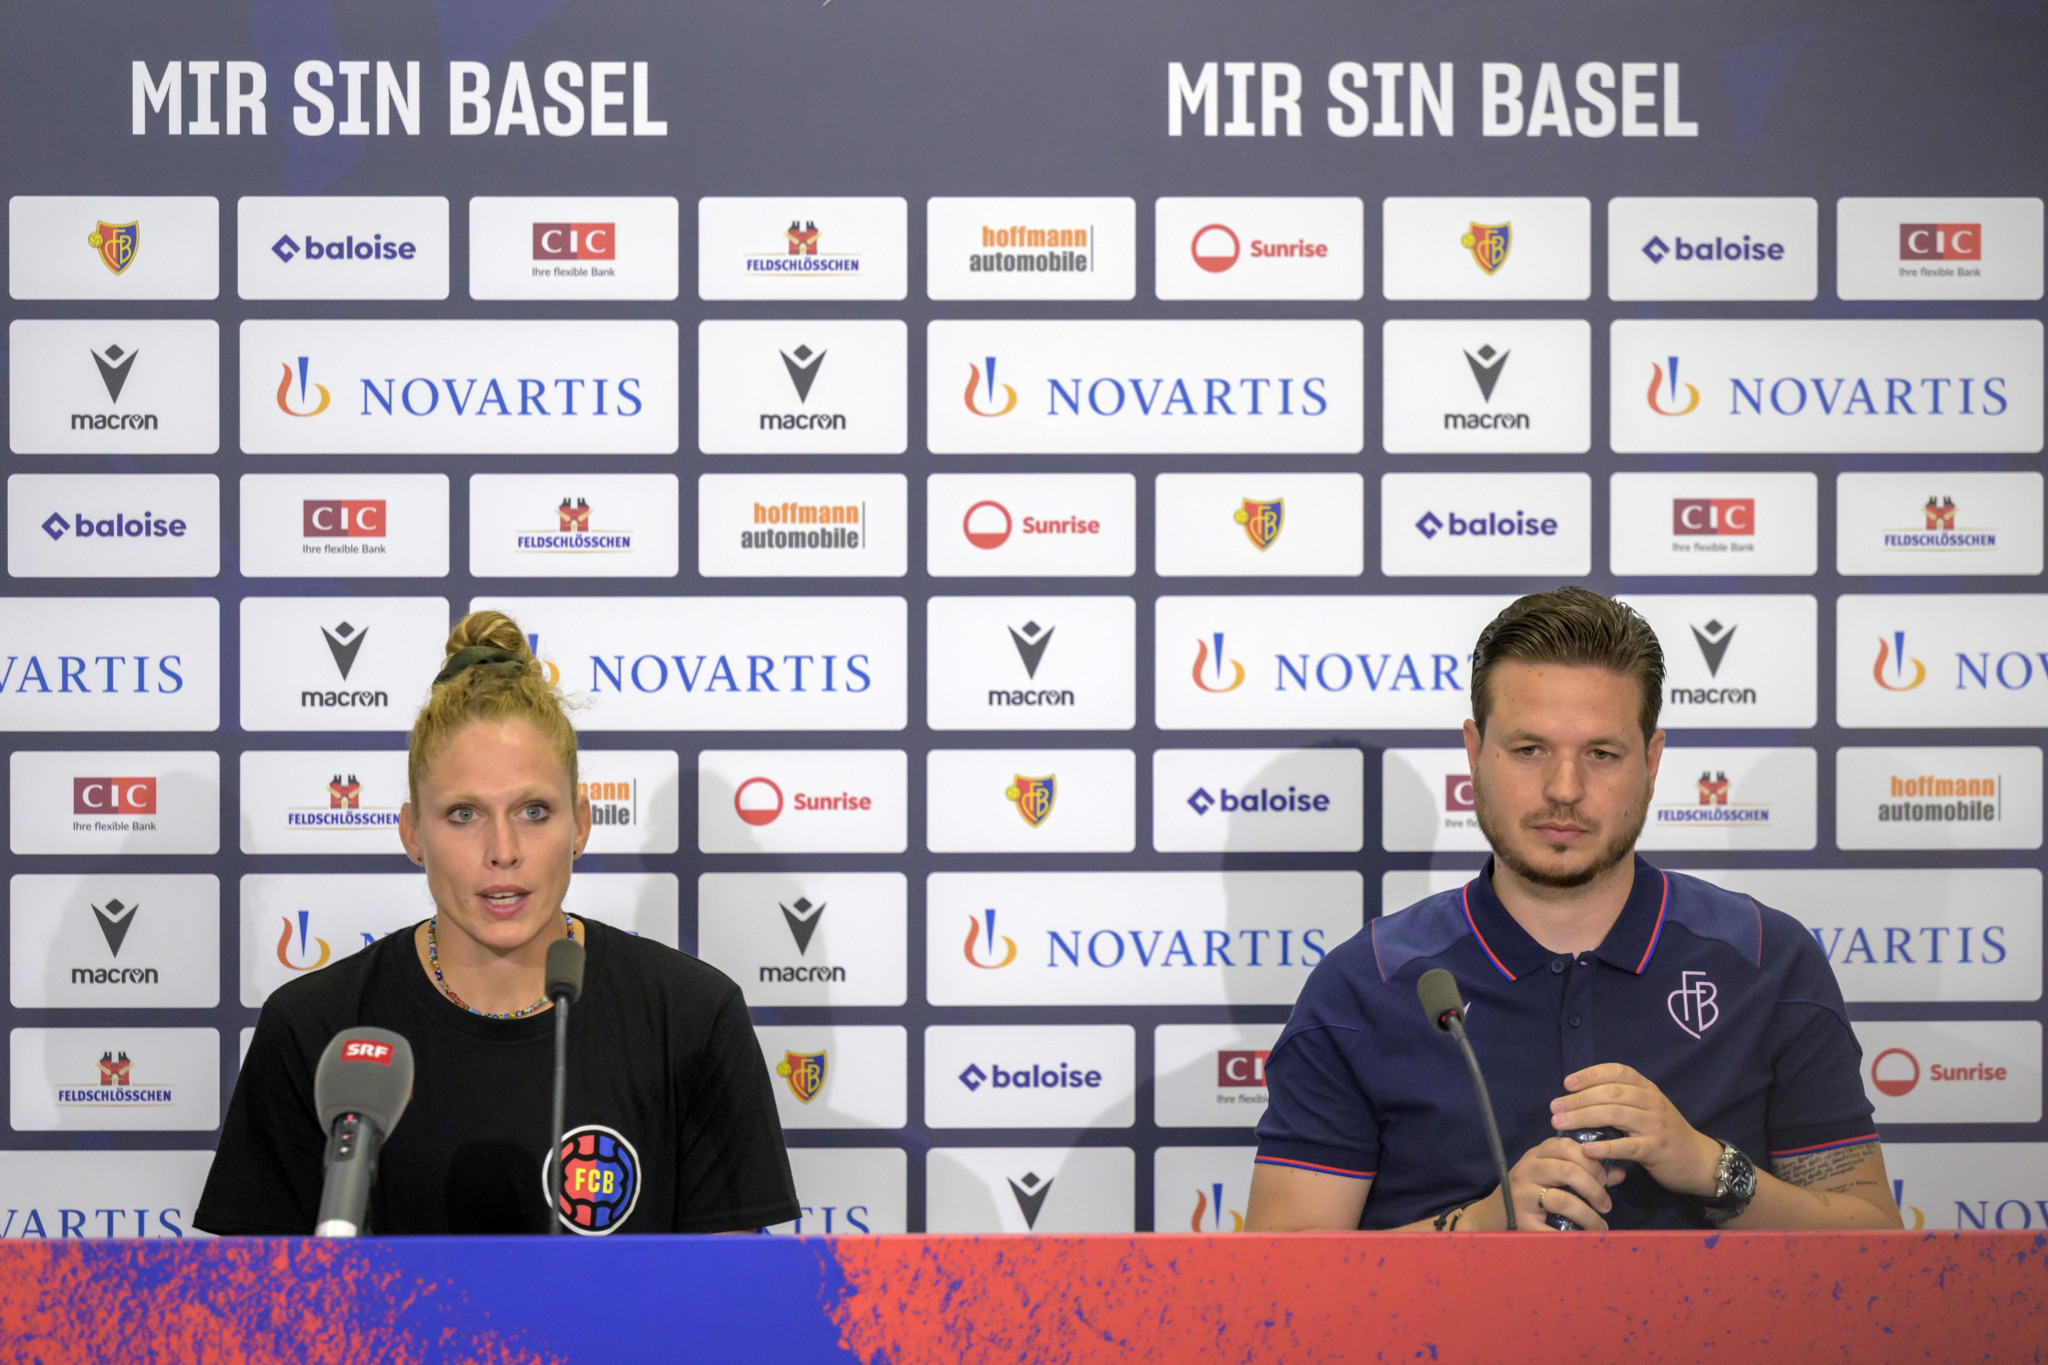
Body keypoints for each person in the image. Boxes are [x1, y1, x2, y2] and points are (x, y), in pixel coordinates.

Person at [1246, 588, 1901, 1232]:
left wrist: (1709, 1165)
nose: (1565, 789)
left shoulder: (1766, 959)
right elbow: (1281, 1291)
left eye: (1601, 754)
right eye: (1529, 750)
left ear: (1651, 760)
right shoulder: (1364, 985)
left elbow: (1875, 1247)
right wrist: (1481, 1227)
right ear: (1475, 753)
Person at [197, 611, 798, 1235]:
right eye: (463, 814)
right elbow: (256, 1311)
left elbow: (728, 1306)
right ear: (412, 833)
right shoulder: (313, 1029)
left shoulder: (693, 1019)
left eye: (534, 810)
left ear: (582, 824)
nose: (503, 849)